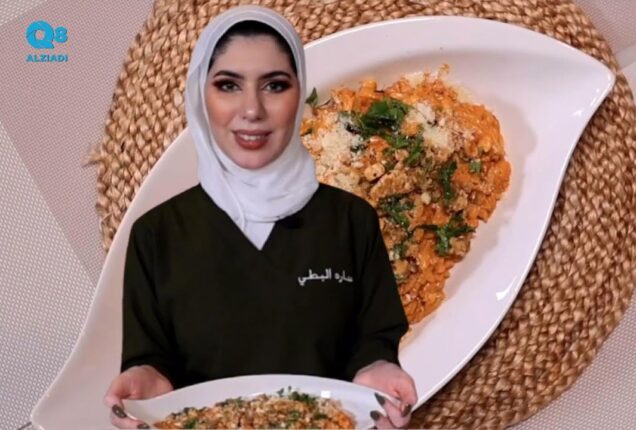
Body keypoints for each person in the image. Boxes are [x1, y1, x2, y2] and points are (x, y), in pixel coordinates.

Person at [103, 5, 417, 429]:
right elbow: (153, 363)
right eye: (228, 85)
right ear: (200, 96)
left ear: (299, 93)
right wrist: (144, 380)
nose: (252, 109)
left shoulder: (352, 221)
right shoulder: (156, 235)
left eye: (275, 85)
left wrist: (379, 372)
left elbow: (373, 344)